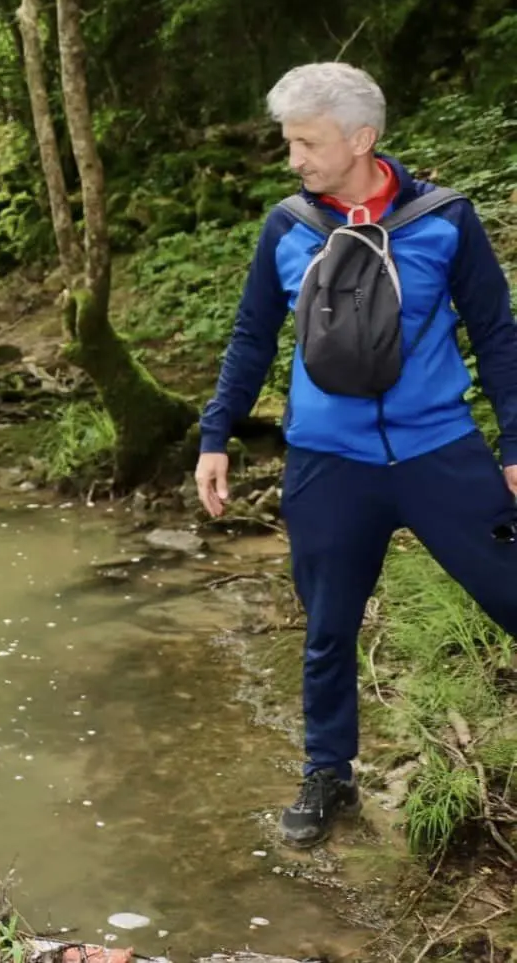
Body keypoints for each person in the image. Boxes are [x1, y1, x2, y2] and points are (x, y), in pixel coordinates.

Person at [197, 62, 517, 849]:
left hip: (440, 451)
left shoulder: (445, 219)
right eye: (289, 143)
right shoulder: (288, 226)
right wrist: (216, 434)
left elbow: (497, 332)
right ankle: (328, 772)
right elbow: (250, 337)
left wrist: (516, 439)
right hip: (326, 463)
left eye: (306, 142)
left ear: (360, 138)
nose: (294, 158)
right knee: (328, 628)